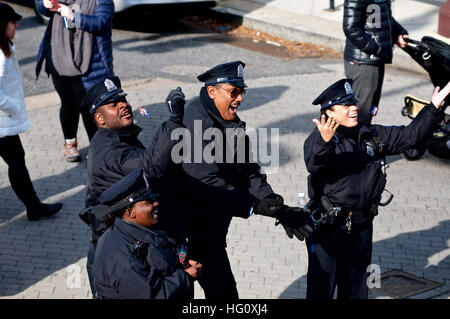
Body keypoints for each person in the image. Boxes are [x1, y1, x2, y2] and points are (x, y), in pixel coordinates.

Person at [303, 78, 450, 299]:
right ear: (329, 113)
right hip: (329, 229)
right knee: (321, 291)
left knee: (356, 291)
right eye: (346, 105)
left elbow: (409, 137)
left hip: (361, 226)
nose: (354, 109)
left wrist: (433, 107)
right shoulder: (321, 139)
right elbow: (314, 163)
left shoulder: (370, 134)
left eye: (353, 103)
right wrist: (324, 141)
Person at [180, 61, 313, 299]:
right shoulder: (196, 123)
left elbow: (248, 171)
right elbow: (208, 184)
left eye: (242, 92)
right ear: (212, 91)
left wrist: (276, 207)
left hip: (210, 234)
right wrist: (252, 206)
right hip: (183, 237)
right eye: (234, 92)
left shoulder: (226, 120)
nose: (240, 98)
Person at [79, 75, 187, 296]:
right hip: (122, 256)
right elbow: (150, 167)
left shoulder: (119, 137)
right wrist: (173, 121)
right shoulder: (110, 153)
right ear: (100, 119)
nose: (123, 105)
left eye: (123, 100)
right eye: (113, 104)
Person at [92, 168, 202, 299]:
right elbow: (149, 296)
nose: (156, 203)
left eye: (154, 198)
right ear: (130, 212)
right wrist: (186, 276)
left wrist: (180, 264)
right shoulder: (123, 257)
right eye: (148, 201)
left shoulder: (138, 228)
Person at [0, 3, 62, 221]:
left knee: (17, 160)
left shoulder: (5, 47)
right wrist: (12, 107)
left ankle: (33, 207)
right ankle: (34, 207)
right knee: (17, 161)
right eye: (12, 21)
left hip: (3, 121)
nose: (17, 24)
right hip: (2, 119)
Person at [35, 0, 114, 162]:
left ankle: (97, 148)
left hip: (88, 62)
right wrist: (44, 4)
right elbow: (41, 8)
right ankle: (70, 144)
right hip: (58, 58)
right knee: (68, 104)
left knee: (87, 107)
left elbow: (101, 22)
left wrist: (73, 17)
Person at [343, 0, 409, 124]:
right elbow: (350, 27)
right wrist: (375, 48)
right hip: (364, 62)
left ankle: (361, 139)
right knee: (360, 114)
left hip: (375, 60)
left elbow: (379, 17)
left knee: (370, 110)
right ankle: (355, 142)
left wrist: (398, 32)